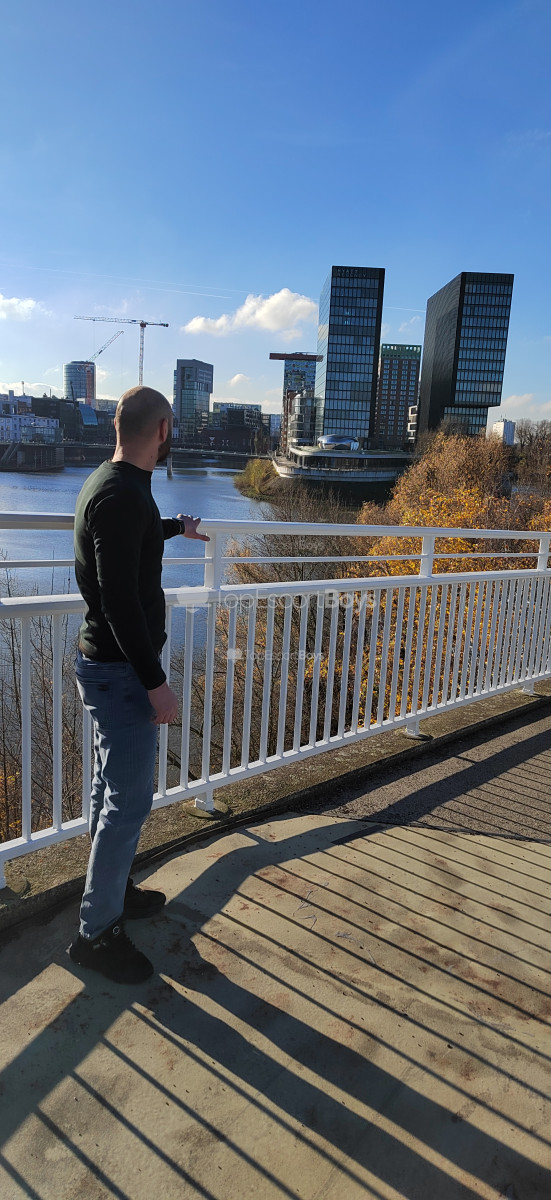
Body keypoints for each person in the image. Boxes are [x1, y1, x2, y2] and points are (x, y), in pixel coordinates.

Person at [68, 385, 209, 985]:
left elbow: (129, 544)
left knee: (110, 788)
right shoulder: (122, 495)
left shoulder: (115, 484)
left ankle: (113, 890)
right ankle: (96, 934)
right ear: (164, 430)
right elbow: (119, 598)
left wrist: (176, 527)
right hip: (123, 673)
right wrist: (156, 684)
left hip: (109, 668)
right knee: (128, 802)